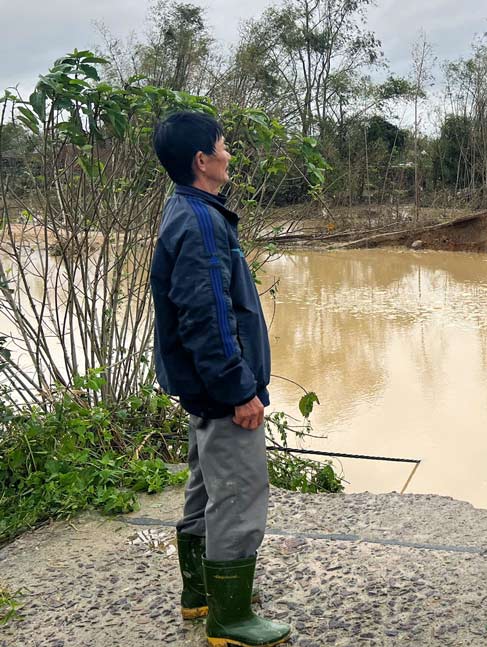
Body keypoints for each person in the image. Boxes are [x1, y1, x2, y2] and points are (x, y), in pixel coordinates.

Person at [150, 111, 291, 647]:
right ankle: (229, 621)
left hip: (200, 386)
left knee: (206, 487)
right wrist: (240, 388)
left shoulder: (185, 211)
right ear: (202, 162)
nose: (230, 154)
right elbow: (208, 315)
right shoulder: (203, 221)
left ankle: (201, 595)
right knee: (239, 491)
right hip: (220, 388)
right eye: (223, 146)